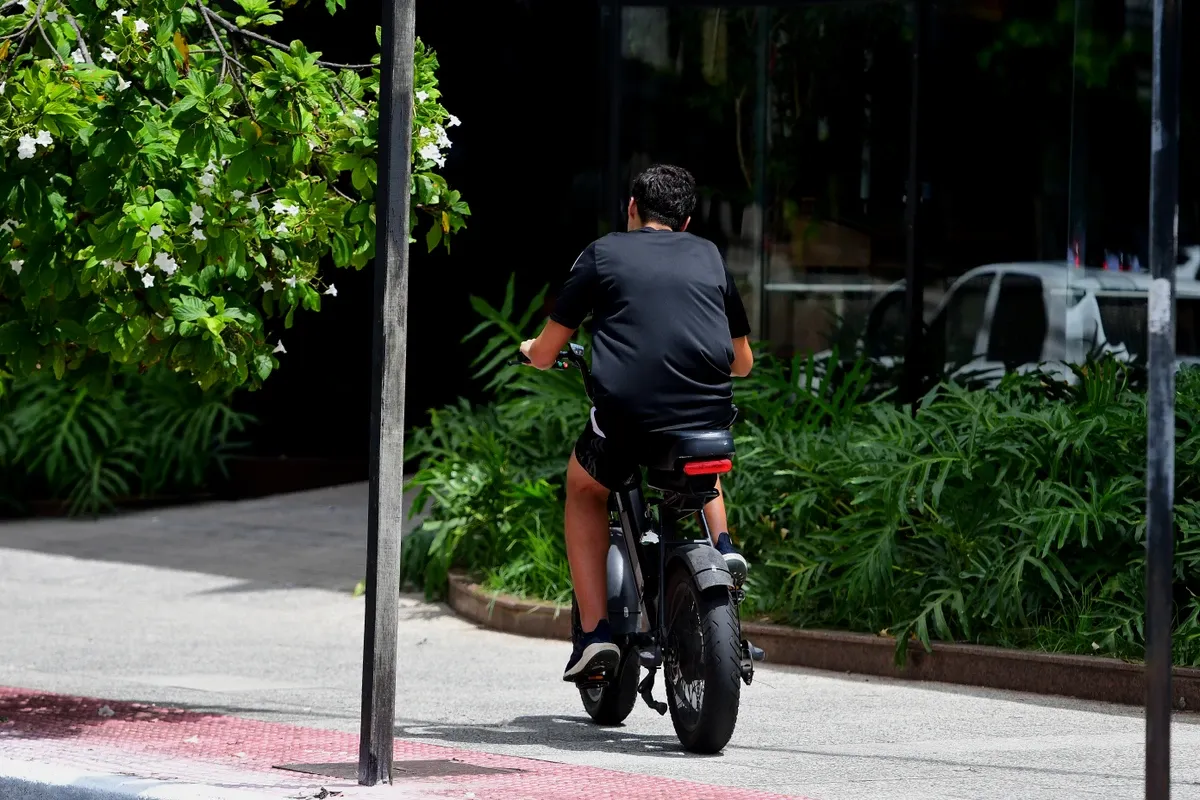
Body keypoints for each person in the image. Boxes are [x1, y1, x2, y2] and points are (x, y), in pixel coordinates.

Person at [519, 164, 754, 682]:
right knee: (697, 451)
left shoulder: (602, 254)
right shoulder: (709, 256)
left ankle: (597, 633)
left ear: (632, 208)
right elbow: (743, 361)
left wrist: (530, 351)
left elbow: (546, 351)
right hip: (706, 420)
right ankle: (723, 548)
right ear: (687, 221)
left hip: (628, 420)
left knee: (584, 488)